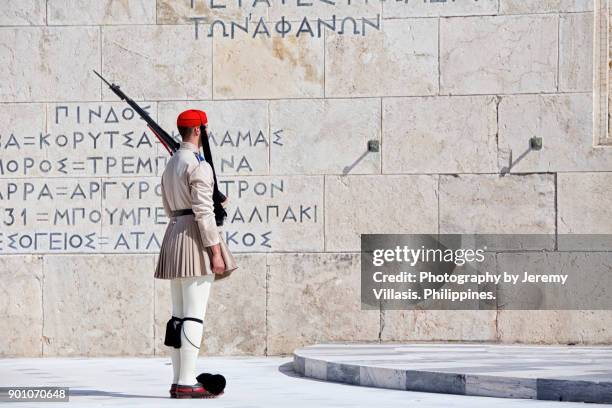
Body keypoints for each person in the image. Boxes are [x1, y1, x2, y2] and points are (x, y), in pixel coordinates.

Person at [154, 109, 225, 399]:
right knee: (194, 316)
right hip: (194, 239)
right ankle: (186, 382)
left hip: (174, 234)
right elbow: (204, 213)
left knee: (178, 316)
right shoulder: (199, 165)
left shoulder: (171, 163)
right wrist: (215, 251)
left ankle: (178, 380)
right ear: (198, 131)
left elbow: (169, 206)